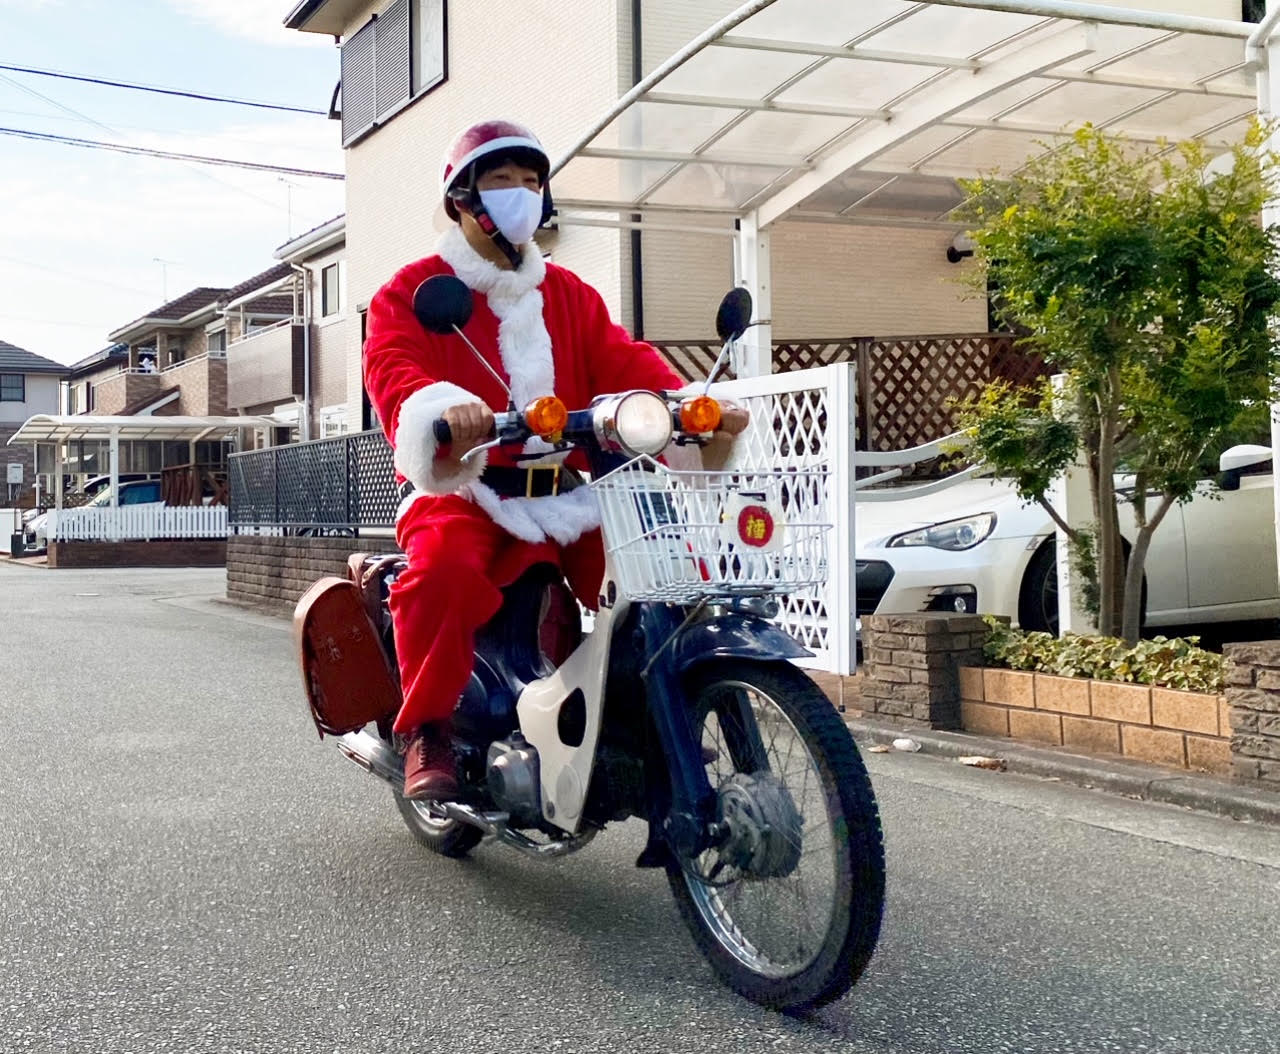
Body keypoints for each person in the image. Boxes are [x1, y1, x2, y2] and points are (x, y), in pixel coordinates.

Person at [363, 119, 747, 800]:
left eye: (532, 182)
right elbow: (391, 367)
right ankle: (427, 727)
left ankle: (649, 718)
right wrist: (441, 409)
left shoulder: (567, 293)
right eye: (502, 182)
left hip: (570, 492)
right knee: (442, 571)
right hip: (468, 490)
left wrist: (688, 406)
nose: (522, 195)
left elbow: (624, 360)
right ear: (463, 197)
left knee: (664, 574)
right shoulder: (415, 290)